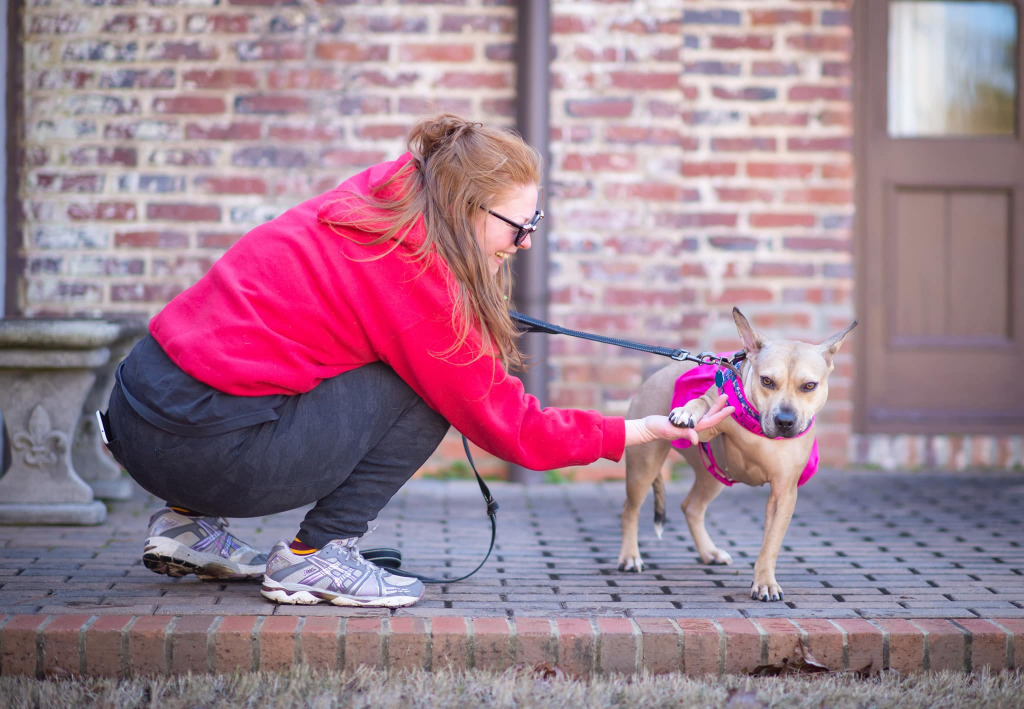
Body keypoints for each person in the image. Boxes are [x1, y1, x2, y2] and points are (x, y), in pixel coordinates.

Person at [102, 114, 733, 609]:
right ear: (466, 209)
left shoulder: (380, 195)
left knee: (297, 362)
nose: (528, 240)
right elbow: (507, 425)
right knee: (424, 390)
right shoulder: (414, 282)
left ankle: (187, 530)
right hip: (200, 449)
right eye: (520, 225)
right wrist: (644, 430)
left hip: (136, 410)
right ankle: (314, 555)